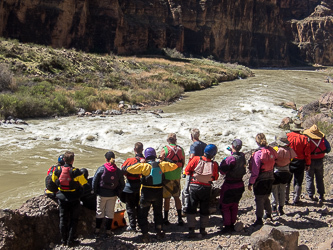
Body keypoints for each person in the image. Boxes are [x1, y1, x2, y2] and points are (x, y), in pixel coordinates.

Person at [123, 147, 178, 242]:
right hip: (158, 193)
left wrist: (140, 163)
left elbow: (128, 169)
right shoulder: (162, 165)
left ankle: (145, 234)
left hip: (146, 193)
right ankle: (159, 232)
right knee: (158, 213)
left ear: (146, 156)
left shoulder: (144, 166)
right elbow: (175, 165)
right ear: (155, 155)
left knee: (143, 214)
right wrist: (164, 159)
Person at [52, 151, 88, 246]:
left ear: (64, 159)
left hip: (62, 197)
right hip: (74, 198)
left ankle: (63, 240)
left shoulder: (58, 169)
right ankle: (71, 240)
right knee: (74, 219)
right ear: (72, 160)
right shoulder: (75, 171)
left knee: (63, 219)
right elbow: (84, 183)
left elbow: (53, 179)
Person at [184, 144, 219, 237]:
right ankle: (202, 230)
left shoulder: (196, 159)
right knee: (204, 209)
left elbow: (187, 170)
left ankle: (191, 230)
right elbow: (215, 177)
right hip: (206, 188)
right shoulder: (214, 164)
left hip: (194, 186)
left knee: (191, 208)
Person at [92, 151, 125, 238]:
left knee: (99, 212)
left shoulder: (101, 169)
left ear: (106, 159)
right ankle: (108, 231)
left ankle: (97, 230)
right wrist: (117, 192)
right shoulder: (118, 171)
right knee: (110, 213)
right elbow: (122, 184)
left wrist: (95, 192)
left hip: (101, 194)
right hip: (112, 195)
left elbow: (94, 182)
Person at [248, 133, 277, 227]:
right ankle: (269, 214)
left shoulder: (258, 154)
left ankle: (259, 219)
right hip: (271, 176)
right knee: (266, 197)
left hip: (261, 179)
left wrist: (251, 182)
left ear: (257, 142)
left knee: (259, 199)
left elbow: (255, 171)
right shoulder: (271, 150)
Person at [219, 139, 246, 234]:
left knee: (225, 206)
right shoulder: (242, 156)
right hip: (240, 184)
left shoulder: (230, 159)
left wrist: (223, 161)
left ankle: (227, 226)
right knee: (234, 205)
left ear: (233, 146)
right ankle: (232, 223)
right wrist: (232, 151)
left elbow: (222, 171)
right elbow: (237, 155)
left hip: (230, 185)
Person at [159, 133, 185, 226]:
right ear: (175, 140)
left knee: (167, 199)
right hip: (177, 176)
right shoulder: (181, 149)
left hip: (167, 176)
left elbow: (160, 162)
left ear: (167, 140)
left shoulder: (165, 149)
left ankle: (166, 219)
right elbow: (183, 162)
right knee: (177, 198)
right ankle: (180, 219)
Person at [303, 125, 331, 204]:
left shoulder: (308, 140)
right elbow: (328, 149)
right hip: (320, 161)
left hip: (310, 161)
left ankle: (311, 195)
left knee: (309, 177)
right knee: (319, 178)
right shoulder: (322, 140)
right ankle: (321, 195)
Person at [120, 142, 145, 231]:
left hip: (130, 186)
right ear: (142, 149)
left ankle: (132, 225)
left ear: (134, 150)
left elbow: (122, 170)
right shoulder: (145, 161)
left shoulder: (129, 160)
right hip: (141, 186)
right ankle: (141, 223)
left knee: (130, 206)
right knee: (139, 206)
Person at [271, 132, 296, 216]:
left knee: (274, 190)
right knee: (282, 190)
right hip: (286, 172)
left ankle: (274, 208)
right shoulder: (290, 150)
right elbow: (291, 159)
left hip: (276, 171)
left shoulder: (276, 150)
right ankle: (281, 208)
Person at [286, 120, 311, 205]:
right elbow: (307, 153)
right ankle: (296, 199)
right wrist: (308, 164)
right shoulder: (304, 138)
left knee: (287, 180)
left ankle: (285, 199)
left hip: (289, 160)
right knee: (298, 181)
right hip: (300, 161)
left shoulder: (288, 136)